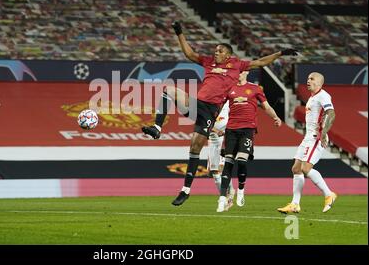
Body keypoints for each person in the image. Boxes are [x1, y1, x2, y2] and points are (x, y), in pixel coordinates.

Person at [141, 20, 298, 206]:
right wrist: (179, 33)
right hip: (197, 104)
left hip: (210, 111)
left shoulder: (238, 65)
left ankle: (185, 190)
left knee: (195, 148)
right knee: (169, 90)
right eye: (215, 50)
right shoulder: (208, 62)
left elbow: (261, 62)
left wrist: (281, 53)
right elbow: (189, 53)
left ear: (229, 55)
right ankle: (158, 128)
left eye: (220, 51)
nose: (216, 52)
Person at [216, 71, 282, 212]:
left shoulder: (255, 88)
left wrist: (275, 117)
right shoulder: (229, 88)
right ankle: (222, 198)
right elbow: (219, 107)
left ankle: (241, 190)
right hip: (231, 130)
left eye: (241, 71)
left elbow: (266, 106)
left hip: (247, 130)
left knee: (241, 161)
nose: (238, 74)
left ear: (246, 72)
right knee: (228, 163)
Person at [278, 72, 337, 214]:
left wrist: (323, 133)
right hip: (308, 137)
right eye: (308, 78)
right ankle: (295, 204)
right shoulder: (312, 98)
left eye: (312, 78)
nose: (308, 80)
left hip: (316, 137)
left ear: (320, 83)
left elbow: (331, 113)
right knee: (296, 169)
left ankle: (329, 194)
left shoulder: (323, 95)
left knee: (305, 168)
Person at [207, 100, 235, 211]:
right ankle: (230, 191)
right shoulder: (209, 104)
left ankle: (225, 198)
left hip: (225, 140)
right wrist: (215, 130)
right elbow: (205, 122)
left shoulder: (229, 104)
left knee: (222, 169)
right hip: (212, 141)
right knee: (213, 173)